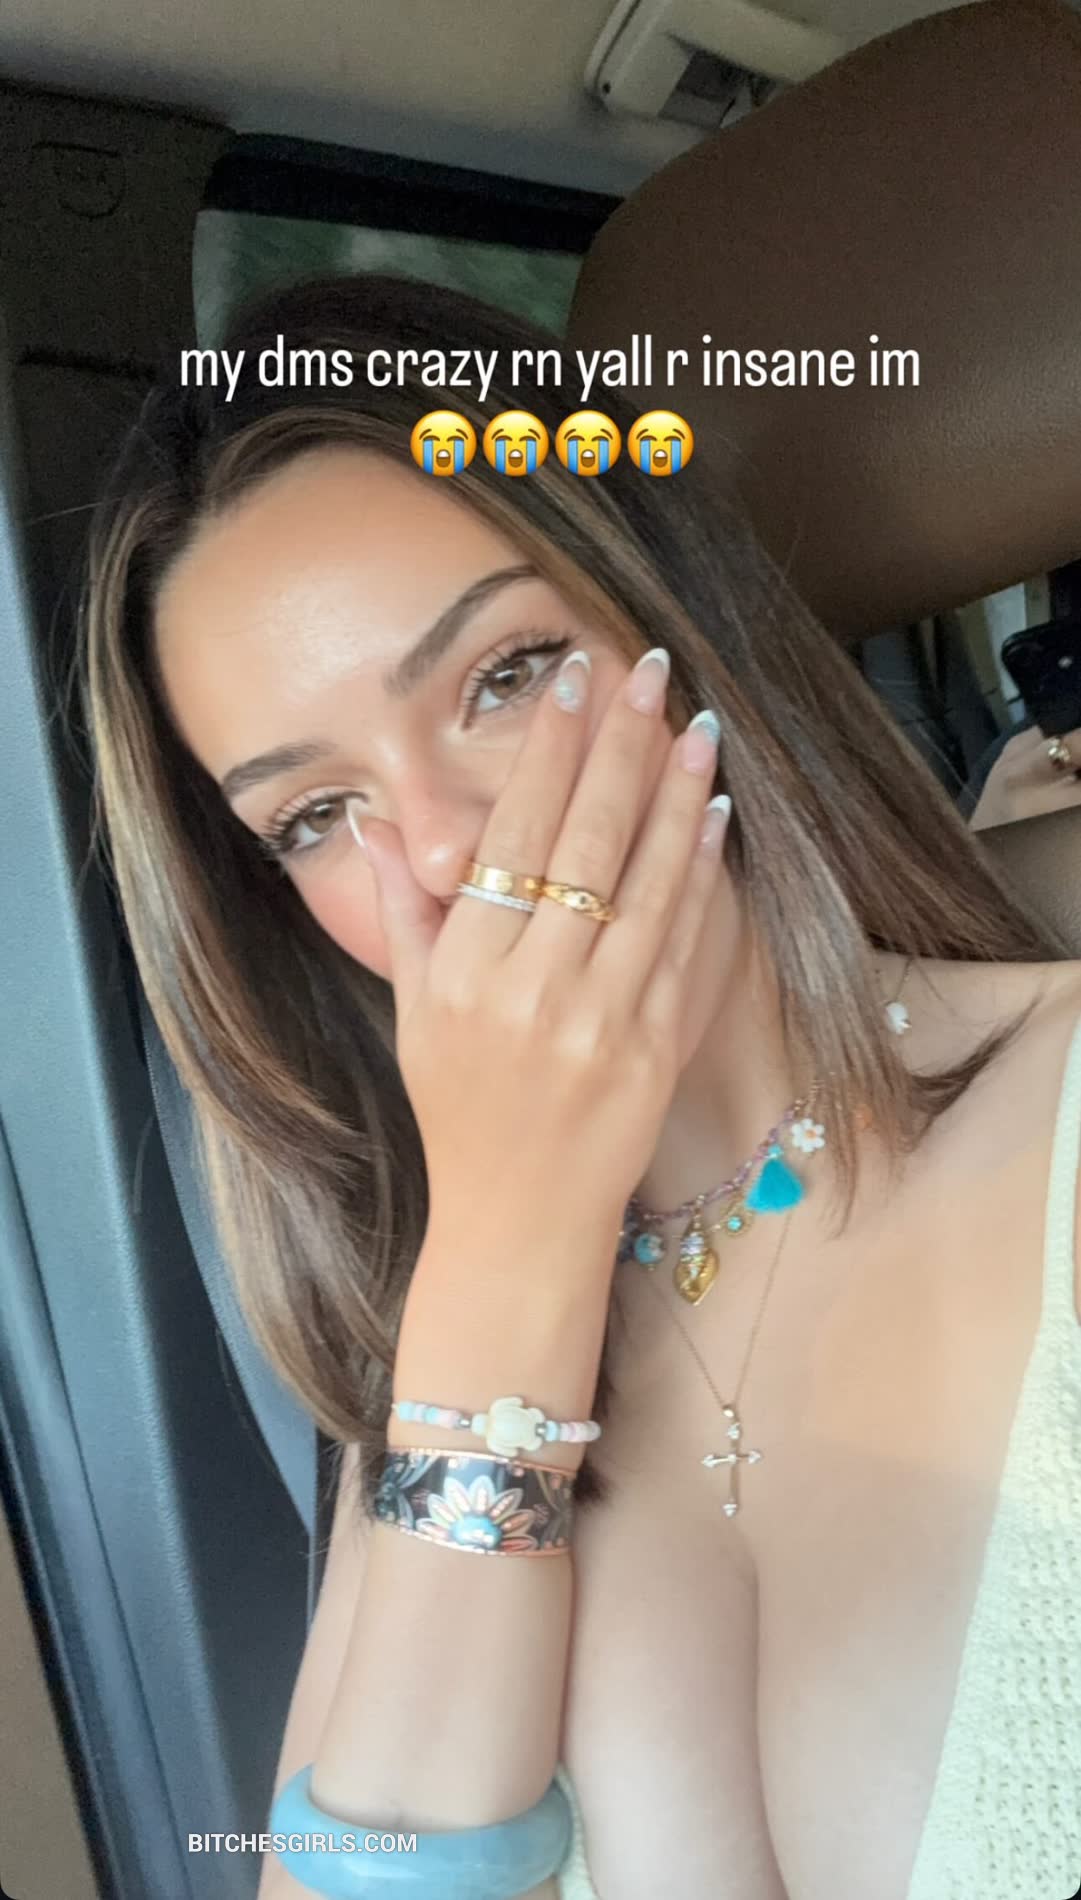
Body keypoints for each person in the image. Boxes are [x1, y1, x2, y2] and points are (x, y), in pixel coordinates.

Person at [76, 273, 1081, 1900]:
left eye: (502, 675)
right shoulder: (449, 1350)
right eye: (315, 817)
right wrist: (509, 1254)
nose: (445, 853)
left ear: (679, 634)